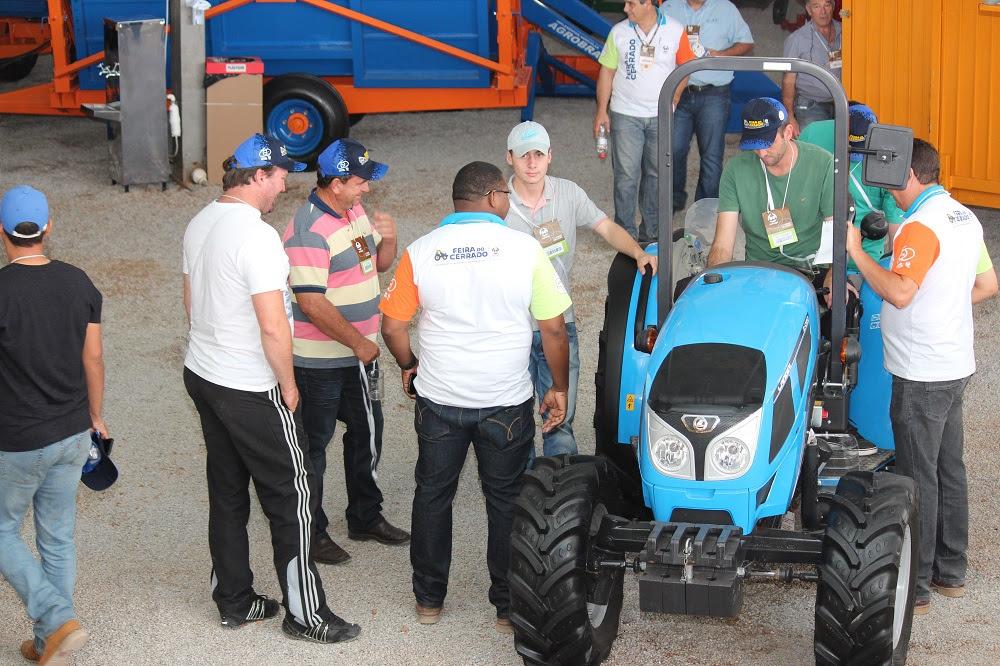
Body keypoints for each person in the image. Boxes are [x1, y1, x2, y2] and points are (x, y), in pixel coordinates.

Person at [182, 133, 360, 644]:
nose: (286, 183)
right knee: (294, 494)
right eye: (280, 174)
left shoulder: (200, 222)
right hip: (249, 383)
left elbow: (191, 304)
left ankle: (234, 600)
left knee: (228, 489)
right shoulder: (258, 237)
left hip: (204, 373)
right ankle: (307, 614)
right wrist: (288, 383)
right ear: (257, 176)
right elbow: (273, 326)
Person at [379, 161, 571, 634]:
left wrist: (408, 365)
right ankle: (507, 606)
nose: (508, 201)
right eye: (505, 193)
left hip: (439, 400)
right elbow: (553, 330)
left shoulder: (421, 251)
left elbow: (392, 325)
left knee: (432, 495)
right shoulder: (525, 249)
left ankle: (429, 600)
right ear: (491, 197)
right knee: (506, 501)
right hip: (504, 401)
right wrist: (559, 387)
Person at [847, 138, 998, 615]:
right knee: (949, 468)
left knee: (916, 477)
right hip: (954, 362)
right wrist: (943, 307)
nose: (882, 184)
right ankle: (951, 570)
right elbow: (987, 285)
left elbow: (901, 291)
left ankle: (917, 584)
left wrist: (858, 252)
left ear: (910, 174)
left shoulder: (920, 226)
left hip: (921, 371)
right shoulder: (963, 215)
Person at [282, 139, 409, 568]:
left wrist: (389, 241)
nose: (367, 190)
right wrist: (359, 343)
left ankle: (365, 516)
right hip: (319, 363)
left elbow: (376, 263)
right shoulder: (307, 230)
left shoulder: (351, 212)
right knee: (313, 448)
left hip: (360, 357)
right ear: (335, 184)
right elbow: (312, 303)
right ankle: (312, 533)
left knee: (367, 434)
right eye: (360, 182)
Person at [504, 120, 657, 457]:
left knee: (561, 417)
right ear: (509, 158)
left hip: (559, 323)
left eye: (538, 155)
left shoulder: (569, 193)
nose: (532, 163)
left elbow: (605, 227)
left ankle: (560, 494)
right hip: (511, 326)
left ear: (550, 157)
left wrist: (638, 252)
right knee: (513, 420)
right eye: (524, 155)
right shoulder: (498, 204)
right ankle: (519, 494)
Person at [0, 185, 106, 664]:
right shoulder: (79, 283)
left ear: (2, 233)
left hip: (17, 439)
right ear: (47, 229)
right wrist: (96, 417)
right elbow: (94, 357)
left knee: (2, 530)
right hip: (71, 432)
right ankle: (49, 644)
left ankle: (52, 614)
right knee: (57, 536)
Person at [595, 0, 696, 242]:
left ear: (648, 3)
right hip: (625, 114)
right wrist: (601, 110)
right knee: (625, 176)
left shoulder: (675, 29)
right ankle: (625, 233)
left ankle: (650, 233)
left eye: (631, 3)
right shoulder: (618, 32)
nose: (625, 9)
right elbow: (606, 72)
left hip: (660, 116)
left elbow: (687, 67)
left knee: (656, 174)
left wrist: (675, 99)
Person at [707, 97, 833, 270]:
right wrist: (714, 280)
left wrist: (833, 275)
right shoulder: (735, 170)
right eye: (755, 144)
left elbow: (836, 231)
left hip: (812, 268)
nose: (761, 152)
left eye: (768, 143)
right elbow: (723, 244)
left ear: (788, 133)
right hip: (760, 271)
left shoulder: (823, 163)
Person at [662, 0, 754, 212]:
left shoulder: (726, 8)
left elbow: (746, 42)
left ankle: (705, 207)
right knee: (672, 150)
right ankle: (673, 200)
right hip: (677, 92)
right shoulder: (669, 8)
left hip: (714, 94)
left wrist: (722, 55)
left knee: (712, 155)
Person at [798, 102, 905, 269]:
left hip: (863, 261)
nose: (854, 156)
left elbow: (895, 229)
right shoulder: (812, 136)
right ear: (837, 130)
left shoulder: (888, 161)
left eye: (862, 148)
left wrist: (890, 271)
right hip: (815, 256)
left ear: (875, 137)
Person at [781, 0, 842, 135]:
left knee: (844, 147)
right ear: (809, 10)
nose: (823, 11)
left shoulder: (846, 31)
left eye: (827, 5)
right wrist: (790, 117)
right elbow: (788, 81)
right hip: (811, 105)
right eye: (817, 6)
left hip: (842, 102)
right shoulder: (796, 39)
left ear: (833, 7)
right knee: (816, 147)